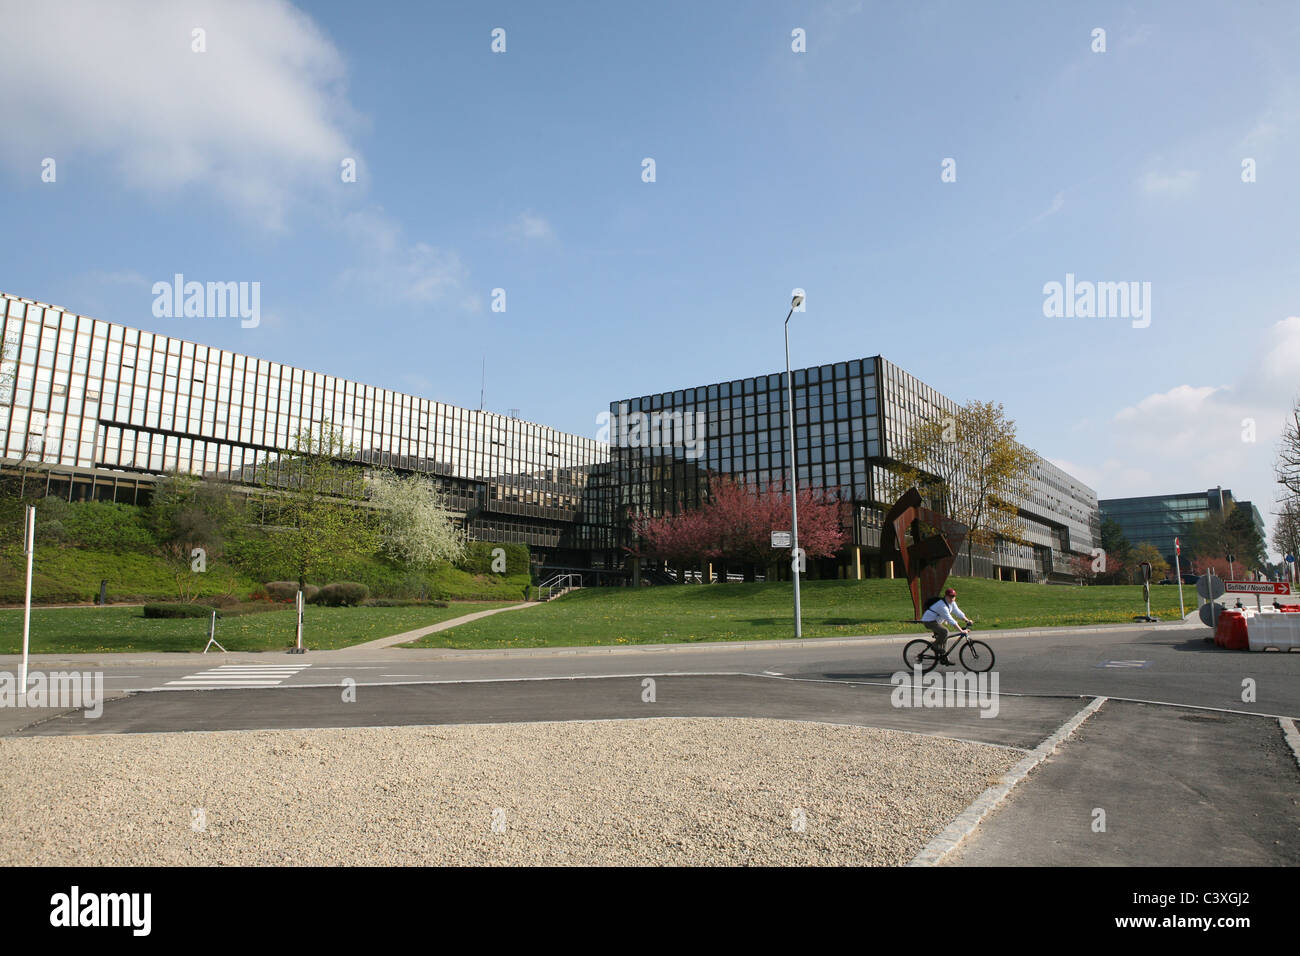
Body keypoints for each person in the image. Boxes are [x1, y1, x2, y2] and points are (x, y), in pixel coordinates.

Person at [920, 587, 974, 661]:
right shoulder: (942, 606)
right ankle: (935, 645)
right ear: (946, 596)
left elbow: (958, 612)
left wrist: (967, 620)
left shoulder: (952, 603)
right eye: (950, 596)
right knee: (945, 631)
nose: (952, 598)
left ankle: (943, 657)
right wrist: (961, 631)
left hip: (936, 621)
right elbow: (950, 619)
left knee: (945, 636)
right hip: (929, 621)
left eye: (953, 596)